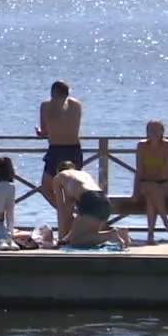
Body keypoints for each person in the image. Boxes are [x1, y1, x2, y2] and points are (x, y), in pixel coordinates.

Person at [53, 164, 131, 249]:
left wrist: (60, 237)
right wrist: (65, 239)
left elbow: (62, 209)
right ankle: (120, 233)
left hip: (90, 201)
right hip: (104, 200)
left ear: (58, 171)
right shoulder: (83, 175)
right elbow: (75, 214)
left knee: (76, 242)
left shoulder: (58, 178)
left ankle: (110, 235)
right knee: (87, 236)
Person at [37, 80, 83, 208]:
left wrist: (40, 133)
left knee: (46, 188)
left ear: (53, 93)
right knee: (72, 188)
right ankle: (72, 214)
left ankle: (64, 212)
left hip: (56, 150)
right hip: (75, 149)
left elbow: (45, 131)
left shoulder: (46, 106)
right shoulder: (77, 105)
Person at [135, 119, 168, 243]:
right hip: (145, 183)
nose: (154, 132)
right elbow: (139, 170)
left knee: (151, 199)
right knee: (152, 188)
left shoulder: (167, 145)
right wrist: (135, 191)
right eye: (151, 130)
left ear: (162, 132)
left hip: (162, 184)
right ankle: (165, 221)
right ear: (146, 132)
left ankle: (150, 236)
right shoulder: (142, 145)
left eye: (157, 129)